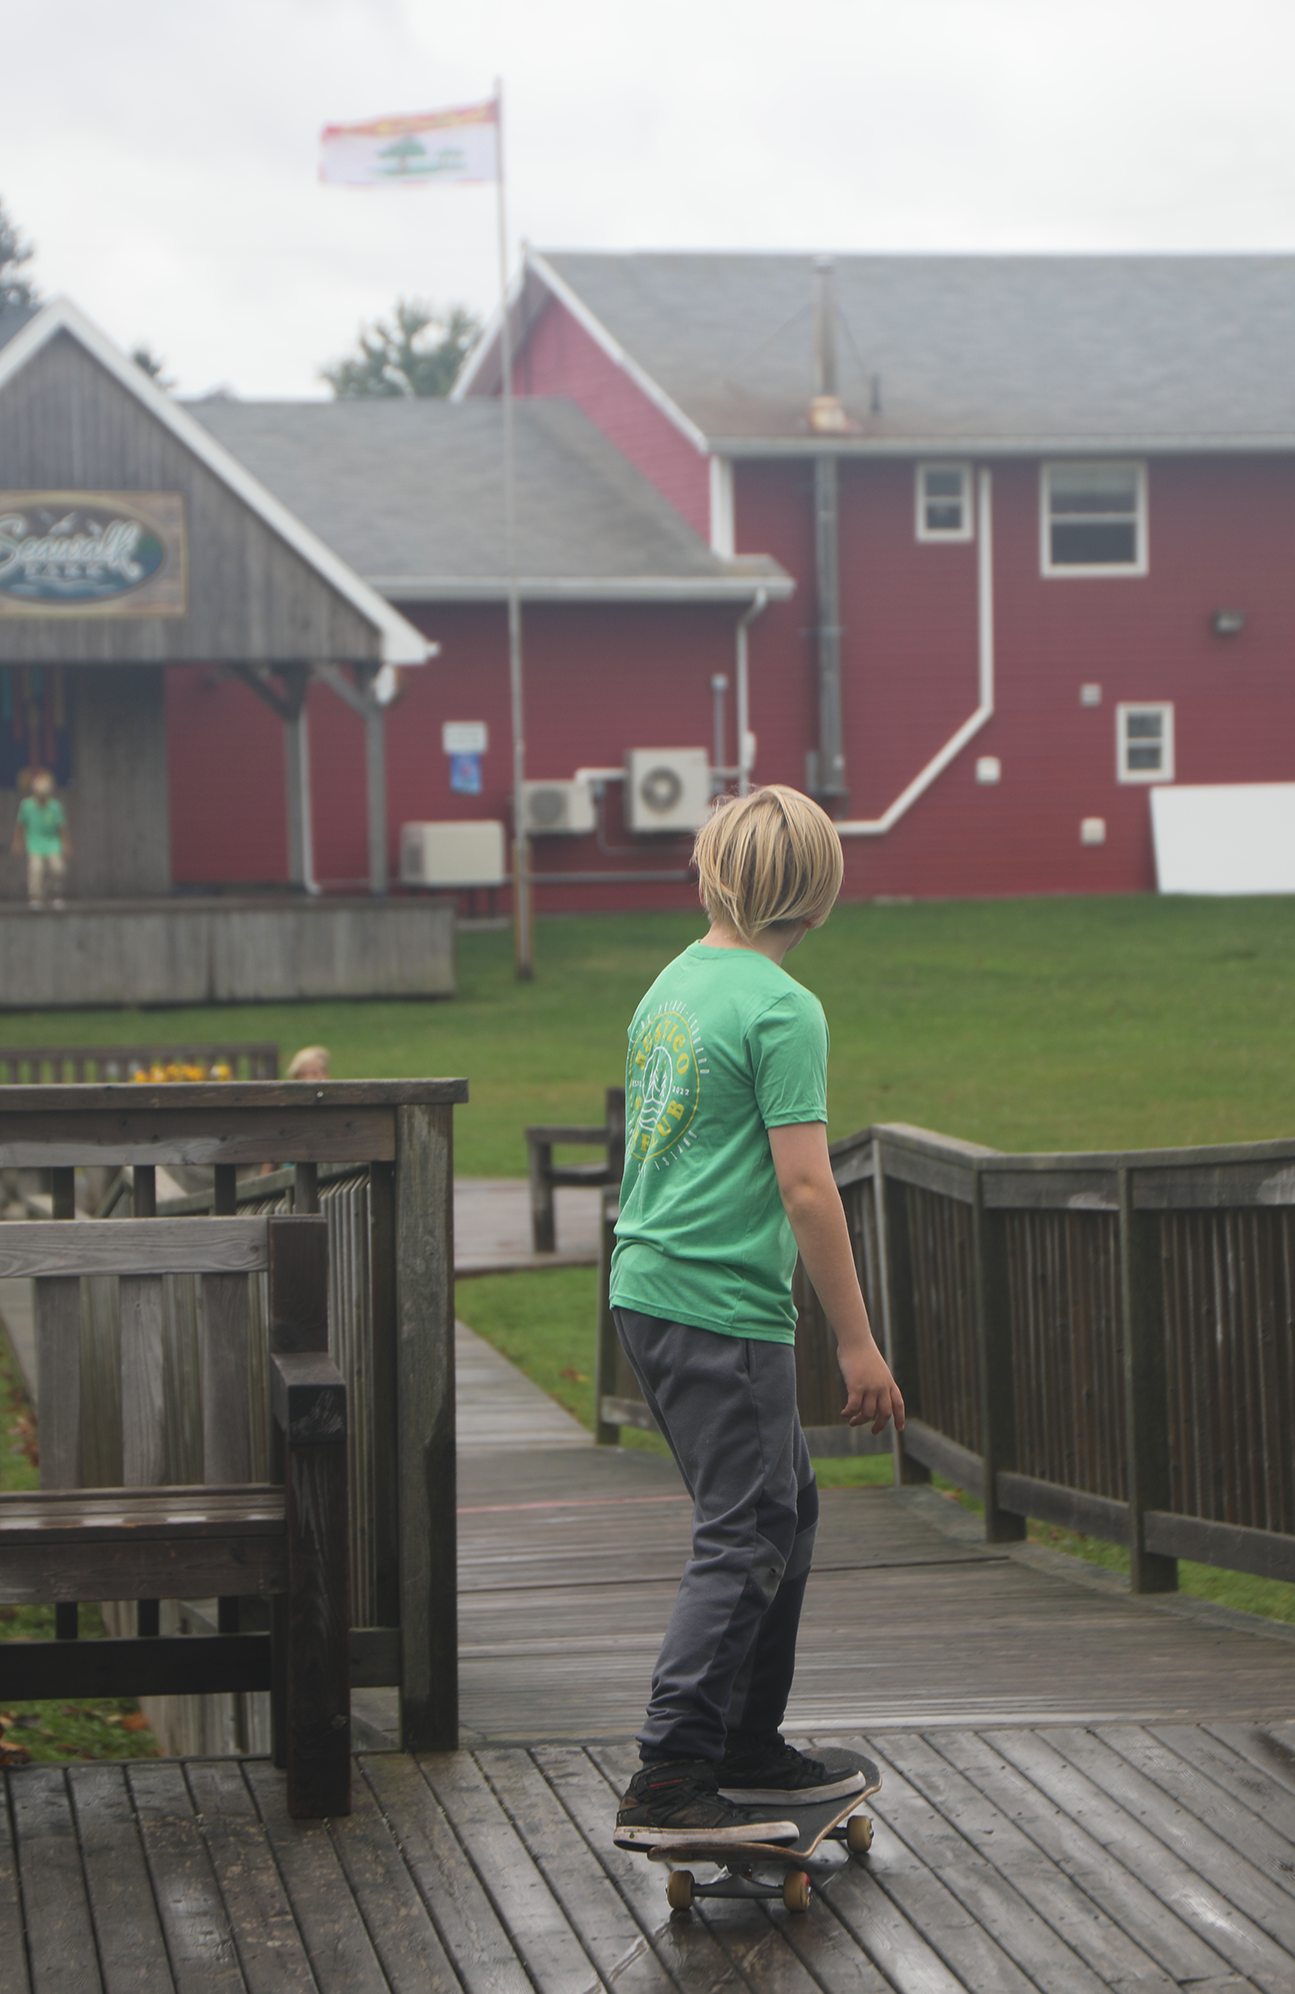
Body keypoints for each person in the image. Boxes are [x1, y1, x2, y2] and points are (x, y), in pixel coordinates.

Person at [610, 785, 904, 1850]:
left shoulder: (674, 983)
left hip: (646, 1286)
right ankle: (672, 1767)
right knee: (744, 1529)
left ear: (710, 872)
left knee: (785, 1507)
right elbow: (808, 1187)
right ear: (817, 896)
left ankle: (745, 1741)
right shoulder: (782, 1007)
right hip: (720, 1302)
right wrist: (856, 1339)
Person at [12, 770, 70, 909]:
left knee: (58, 868)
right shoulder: (26, 805)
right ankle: (36, 897)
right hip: (34, 843)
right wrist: (17, 842)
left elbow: (62, 827)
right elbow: (20, 825)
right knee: (36, 868)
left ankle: (55, 894)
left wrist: (66, 844)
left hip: (52, 843)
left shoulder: (55, 806)